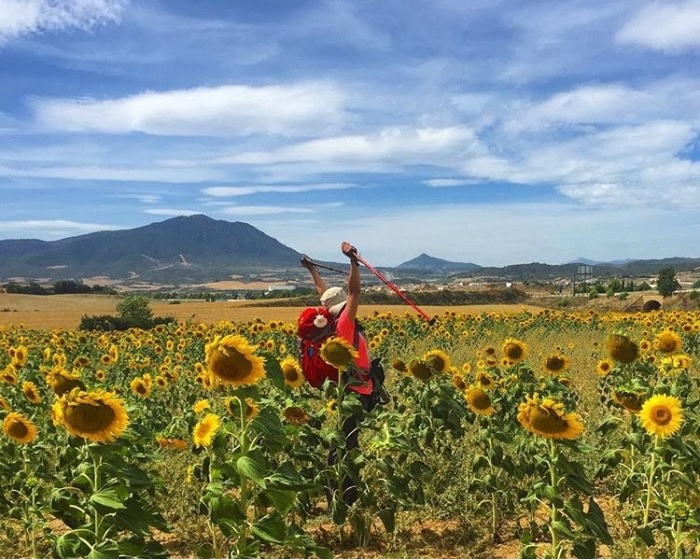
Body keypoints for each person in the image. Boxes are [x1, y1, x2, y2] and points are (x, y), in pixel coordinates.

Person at [297, 242, 376, 506]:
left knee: (344, 439)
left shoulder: (329, 323)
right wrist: (354, 262)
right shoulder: (344, 323)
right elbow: (354, 290)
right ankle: (342, 495)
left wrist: (312, 270)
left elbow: (324, 293)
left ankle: (340, 492)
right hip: (357, 391)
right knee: (346, 443)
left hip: (344, 389)